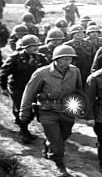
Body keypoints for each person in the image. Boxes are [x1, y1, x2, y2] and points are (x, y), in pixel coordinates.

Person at [19, 45, 82, 176]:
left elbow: (78, 90)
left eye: (69, 59)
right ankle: (60, 165)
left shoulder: (75, 71)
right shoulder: (42, 73)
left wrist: (80, 107)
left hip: (67, 110)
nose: (67, 62)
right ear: (56, 59)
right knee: (56, 141)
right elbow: (29, 93)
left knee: (65, 134)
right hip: (47, 111)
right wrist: (24, 112)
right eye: (64, 59)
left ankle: (49, 145)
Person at [0, 35, 48, 144]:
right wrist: (3, 87)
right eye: (32, 46)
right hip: (18, 88)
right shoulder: (15, 58)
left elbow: (48, 71)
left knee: (33, 110)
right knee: (21, 110)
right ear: (25, 47)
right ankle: (24, 131)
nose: (35, 48)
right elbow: (3, 73)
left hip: (35, 88)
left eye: (36, 46)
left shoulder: (41, 58)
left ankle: (24, 127)